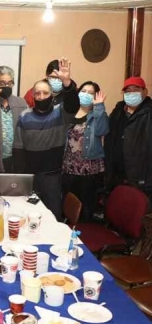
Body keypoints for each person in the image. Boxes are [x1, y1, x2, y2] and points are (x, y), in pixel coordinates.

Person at [15, 58, 79, 221]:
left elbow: (73, 105)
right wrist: (21, 178)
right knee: (28, 217)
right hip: (30, 177)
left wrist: (67, 83)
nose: (41, 96)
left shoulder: (61, 113)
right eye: (38, 93)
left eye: (45, 93)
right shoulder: (24, 116)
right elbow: (18, 148)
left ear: (52, 95)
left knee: (52, 217)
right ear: (33, 95)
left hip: (52, 177)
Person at [62, 82, 108, 222]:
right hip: (68, 167)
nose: (86, 94)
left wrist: (99, 107)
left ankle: (85, 232)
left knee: (86, 208)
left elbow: (102, 130)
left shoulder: (98, 114)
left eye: (90, 92)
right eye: (83, 91)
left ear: (95, 96)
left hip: (89, 168)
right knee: (68, 205)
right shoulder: (70, 112)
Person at [105, 76, 152, 201]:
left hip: (139, 177)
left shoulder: (149, 113)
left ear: (145, 92)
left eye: (135, 90)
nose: (131, 94)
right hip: (116, 175)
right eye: (127, 91)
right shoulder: (118, 111)